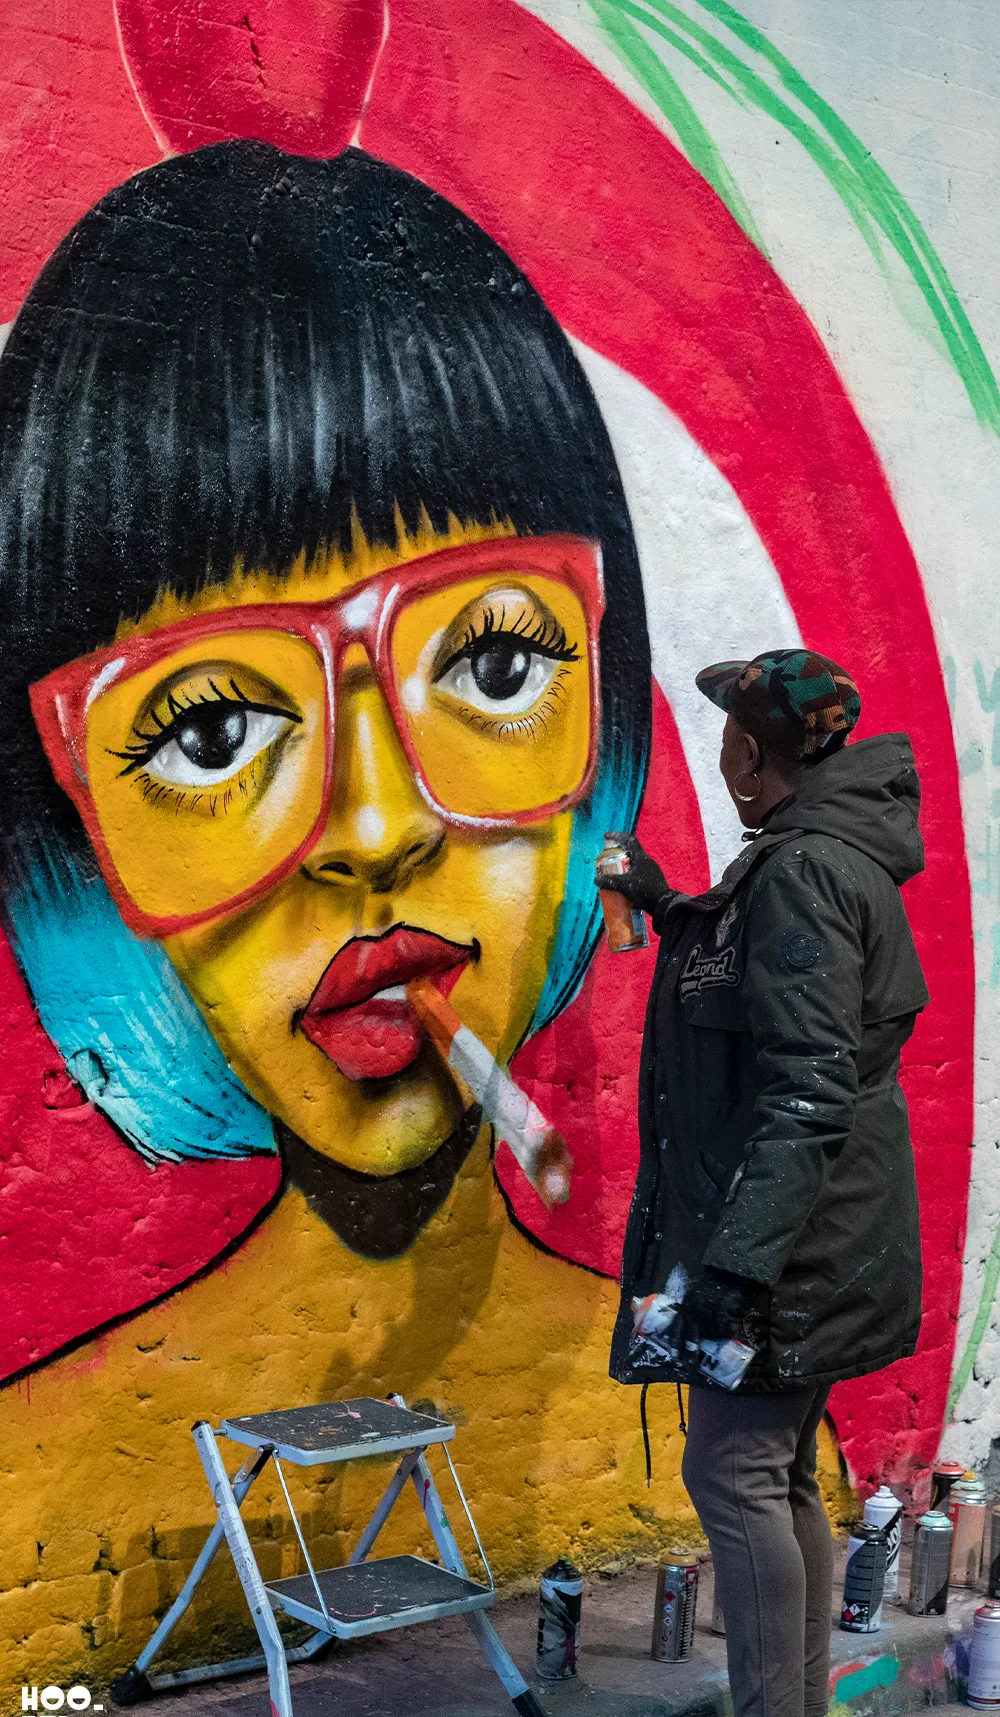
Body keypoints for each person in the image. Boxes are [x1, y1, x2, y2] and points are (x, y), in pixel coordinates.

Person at [0, 139, 650, 1259]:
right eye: (210, 732)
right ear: (72, 830)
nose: (379, 830)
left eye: (496, 666)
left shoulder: (667, 1372)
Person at [597, 650, 928, 1717]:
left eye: (729, 738)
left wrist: (735, 1272)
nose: (723, 755)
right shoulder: (820, 854)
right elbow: (767, 990)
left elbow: (806, 1086)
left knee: (732, 1474)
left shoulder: (801, 872)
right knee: (776, 1473)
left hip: (792, 1244)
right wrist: (662, 905)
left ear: (751, 756)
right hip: (821, 1231)